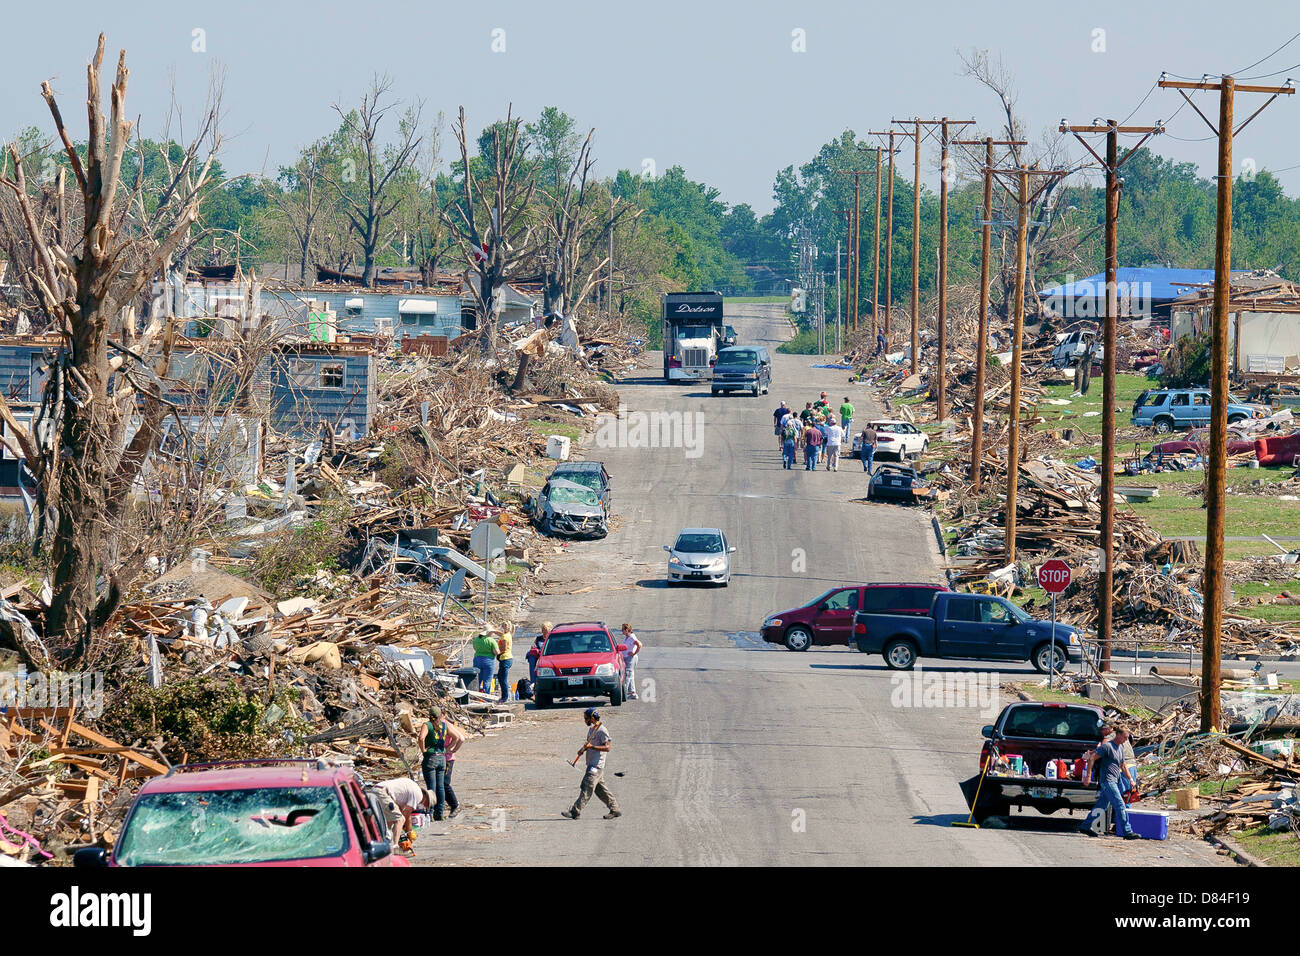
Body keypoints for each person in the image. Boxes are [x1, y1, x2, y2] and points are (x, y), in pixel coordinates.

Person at [561, 708, 621, 820]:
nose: (585, 721)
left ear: (592, 718)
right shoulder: (592, 730)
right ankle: (615, 809)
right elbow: (589, 744)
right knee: (600, 790)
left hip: (596, 766)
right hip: (592, 764)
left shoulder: (602, 730)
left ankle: (575, 811)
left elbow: (607, 747)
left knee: (586, 787)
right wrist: (582, 750)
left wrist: (592, 747)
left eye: (586, 718)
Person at [1081, 726, 1140, 839]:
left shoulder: (1120, 748)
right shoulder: (1107, 747)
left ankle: (1085, 826)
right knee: (1120, 805)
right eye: (1125, 737)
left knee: (1102, 805)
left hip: (1115, 780)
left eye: (1128, 738)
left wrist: (1131, 779)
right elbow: (1092, 758)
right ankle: (1127, 832)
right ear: (1118, 735)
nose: (1126, 740)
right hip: (1107, 781)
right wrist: (1088, 776)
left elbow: (1123, 765)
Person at [417, 706, 465, 821]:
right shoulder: (444, 725)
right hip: (442, 758)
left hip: (431, 757)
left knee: (431, 787)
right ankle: (440, 813)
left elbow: (421, 737)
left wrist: (423, 750)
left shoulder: (427, 725)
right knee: (441, 787)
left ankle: (430, 813)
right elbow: (456, 738)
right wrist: (448, 748)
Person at [374, 776, 430, 847]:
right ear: (425, 797)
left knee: (390, 820)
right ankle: (395, 846)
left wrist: (407, 830)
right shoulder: (419, 795)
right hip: (383, 792)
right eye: (426, 804)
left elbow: (405, 813)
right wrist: (409, 832)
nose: (424, 805)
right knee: (400, 820)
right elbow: (406, 814)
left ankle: (381, 842)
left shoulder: (409, 789)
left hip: (378, 789)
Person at [472, 628, 500, 694]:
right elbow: (496, 652)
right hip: (488, 660)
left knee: (477, 679)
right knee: (487, 680)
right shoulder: (491, 640)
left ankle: (476, 694)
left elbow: (475, 648)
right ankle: (486, 695)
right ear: (488, 632)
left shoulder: (476, 639)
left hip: (477, 659)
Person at [619, 623, 642, 700]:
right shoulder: (627, 637)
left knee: (628, 675)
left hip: (630, 658)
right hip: (627, 658)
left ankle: (623, 693)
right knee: (630, 675)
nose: (622, 631)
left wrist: (634, 653)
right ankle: (633, 693)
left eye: (623, 630)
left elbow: (639, 644)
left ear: (626, 630)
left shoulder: (632, 637)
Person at [496, 625, 514, 703]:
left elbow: (504, 648)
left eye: (502, 627)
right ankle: (505, 696)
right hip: (508, 658)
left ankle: (505, 697)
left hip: (505, 658)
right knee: (501, 677)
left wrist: (497, 651)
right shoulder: (507, 634)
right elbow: (500, 634)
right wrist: (493, 631)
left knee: (502, 679)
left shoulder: (505, 637)